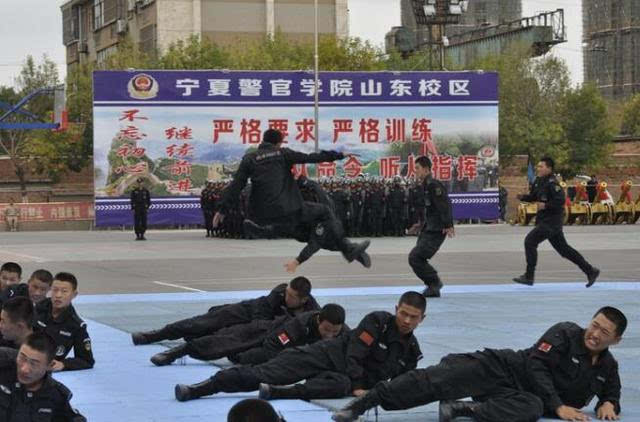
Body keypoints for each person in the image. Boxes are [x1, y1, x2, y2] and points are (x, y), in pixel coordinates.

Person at [333, 306, 626, 422]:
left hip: (521, 396)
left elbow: (611, 391)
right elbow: (536, 367)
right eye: (594, 325)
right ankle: (363, 404)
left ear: (616, 340)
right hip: (501, 367)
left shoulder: (607, 366)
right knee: (434, 381)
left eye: (604, 332)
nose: (595, 334)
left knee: (532, 409)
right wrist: (560, 406)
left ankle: (464, 408)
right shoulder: (565, 333)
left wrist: (609, 403)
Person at [173, 291, 425, 403]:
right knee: (264, 373)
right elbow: (354, 355)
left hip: (342, 379)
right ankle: (205, 387)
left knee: (338, 386)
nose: (406, 320)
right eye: (403, 313)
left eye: (413, 317)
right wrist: (360, 387)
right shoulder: (377, 321)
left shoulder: (411, 353)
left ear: (421, 319)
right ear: (396, 309)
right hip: (323, 357)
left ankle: (277, 393)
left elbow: (399, 382)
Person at [213, 128, 369, 264]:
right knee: (325, 212)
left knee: (309, 234)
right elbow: (311, 158)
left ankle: (351, 251)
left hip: (261, 215)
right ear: (279, 143)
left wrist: (222, 210)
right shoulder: (283, 154)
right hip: (289, 210)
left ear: (264, 141)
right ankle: (348, 249)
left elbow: (236, 184)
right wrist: (339, 155)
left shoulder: (250, 159)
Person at [131, 277, 320, 345]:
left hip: (257, 332)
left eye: (292, 297)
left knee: (213, 337)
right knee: (200, 323)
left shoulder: (311, 311)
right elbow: (259, 318)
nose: (287, 298)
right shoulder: (278, 293)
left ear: (303, 299)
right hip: (246, 312)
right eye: (288, 293)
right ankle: (154, 335)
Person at [149, 303, 347, 366]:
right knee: (227, 343)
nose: (330, 335)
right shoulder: (298, 326)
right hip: (267, 333)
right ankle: (178, 351)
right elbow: (272, 348)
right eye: (326, 330)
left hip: (285, 348)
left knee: (239, 357)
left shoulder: (340, 329)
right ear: (318, 320)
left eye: (334, 332)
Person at [513, 157, 600, 287]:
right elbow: (533, 197)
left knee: (530, 241)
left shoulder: (553, 183)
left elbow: (560, 201)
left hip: (551, 221)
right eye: (538, 166)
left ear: (549, 168)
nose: (538, 168)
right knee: (564, 250)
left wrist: (546, 206)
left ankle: (529, 276)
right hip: (544, 220)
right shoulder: (538, 181)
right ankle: (590, 270)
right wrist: (522, 197)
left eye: (541, 166)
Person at [0, 333, 86, 421]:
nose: (24, 369)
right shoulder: (3, 369)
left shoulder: (56, 396)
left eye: (34, 364)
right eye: (22, 358)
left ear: (50, 365)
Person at [408, 156, 454, 298]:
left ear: (426, 169)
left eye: (417, 168)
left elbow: (444, 205)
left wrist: (448, 224)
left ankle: (434, 283)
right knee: (416, 257)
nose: (415, 171)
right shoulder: (425, 185)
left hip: (437, 229)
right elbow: (429, 209)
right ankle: (432, 286)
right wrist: (419, 224)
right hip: (428, 228)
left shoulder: (434, 185)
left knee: (415, 257)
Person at [33, 272, 95, 371]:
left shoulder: (76, 326)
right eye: (55, 290)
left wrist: (63, 364)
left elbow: (86, 360)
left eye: (64, 291)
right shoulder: (37, 308)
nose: (58, 295)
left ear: (74, 294)